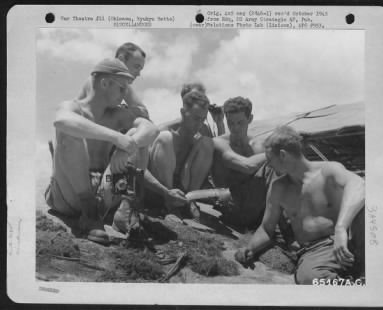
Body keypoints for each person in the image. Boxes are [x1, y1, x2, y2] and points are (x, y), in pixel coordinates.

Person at [45, 58, 159, 245]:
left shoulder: (116, 115)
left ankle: (126, 210)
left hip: (103, 194)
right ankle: (88, 212)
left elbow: (151, 129)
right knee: (69, 132)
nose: (124, 96)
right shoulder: (73, 107)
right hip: (68, 195)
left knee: (136, 138)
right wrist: (115, 138)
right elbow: (61, 121)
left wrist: (127, 146)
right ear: (105, 83)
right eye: (122, 89)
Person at [234, 125, 365, 284]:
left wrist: (341, 228)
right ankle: (354, 285)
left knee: (366, 205)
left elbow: (360, 185)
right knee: (308, 278)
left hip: (346, 242)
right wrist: (250, 248)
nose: (268, 166)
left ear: (283, 155)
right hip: (315, 251)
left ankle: (360, 277)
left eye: (269, 160)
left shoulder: (328, 171)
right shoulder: (279, 188)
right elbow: (267, 228)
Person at [144, 90, 214, 218]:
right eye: (195, 118)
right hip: (158, 190)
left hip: (183, 189)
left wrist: (219, 123)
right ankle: (170, 204)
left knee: (208, 143)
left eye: (203, 120)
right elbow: (141, 168)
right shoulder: (163, 131)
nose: (199, 124)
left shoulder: (199, 136)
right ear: (183, 113)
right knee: (165, 138)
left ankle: (190, 200)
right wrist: (166, 192)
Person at [211, 96, 272, 230]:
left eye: (240, 122)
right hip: (227, 207)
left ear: (250, 119)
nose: (235, 128)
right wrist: (276, 152)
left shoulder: (260, 145)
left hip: (257, 211)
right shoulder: (220, 143)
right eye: (230, 123)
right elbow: (247, 166)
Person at [77, 42, 150, 119]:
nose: (138, 74)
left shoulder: (122, 85)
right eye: (136, 67)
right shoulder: (99, 79)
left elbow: (144, 112)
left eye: (140, 69)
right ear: (121, 59)